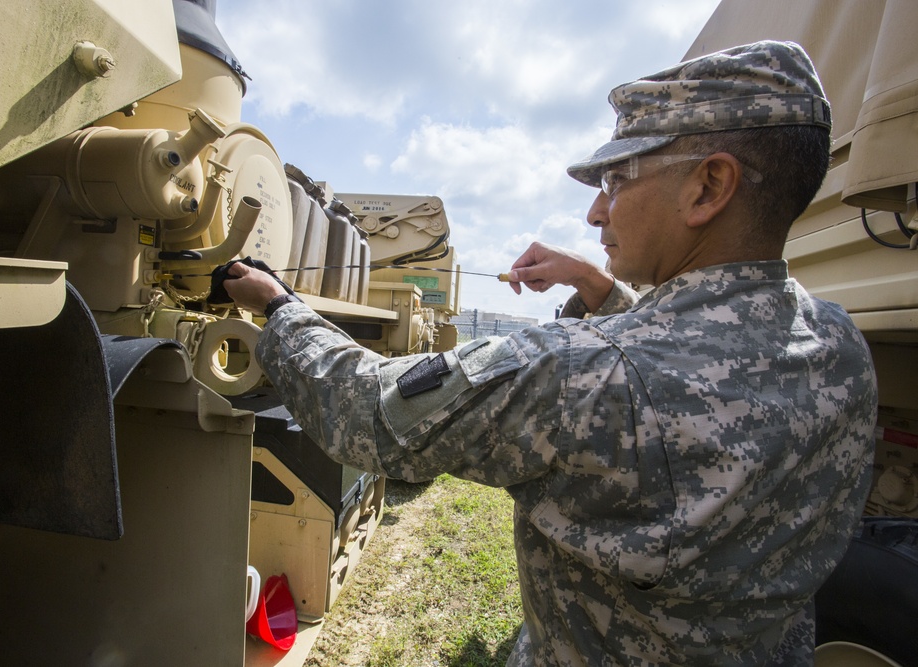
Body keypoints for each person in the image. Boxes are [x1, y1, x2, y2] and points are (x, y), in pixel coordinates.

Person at [224, 41, 876, 666]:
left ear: (709, 187)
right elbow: (698, 364)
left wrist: (280, 308)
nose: (596, 212)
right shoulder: (840, 349)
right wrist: (594, 284)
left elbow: (366, 413)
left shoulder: (575, 374)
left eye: (618, 178)